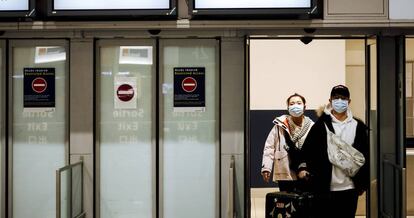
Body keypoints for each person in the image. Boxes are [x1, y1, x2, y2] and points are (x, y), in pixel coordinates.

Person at [298, 85, 369, 218]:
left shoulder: (358, 127)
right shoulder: (321, 126)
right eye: (336, 98)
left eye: (343, 98)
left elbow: (365, 156)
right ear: (330, 101)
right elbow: (307, 151)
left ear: (349, 101)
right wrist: (303, 168)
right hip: (324, 188)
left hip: (350, 189)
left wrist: (362, 183)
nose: (340, 101)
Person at [261, 93, 314, 191]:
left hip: (304, 173)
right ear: (288, 107)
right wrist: (266, 168)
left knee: (303, 203)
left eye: (299, 103)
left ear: (304, 107)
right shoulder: (279, 125)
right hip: (284, 172)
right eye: (292, 104)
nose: (295, 106)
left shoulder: (312, 127)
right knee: (286, 203)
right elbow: (269, 147)